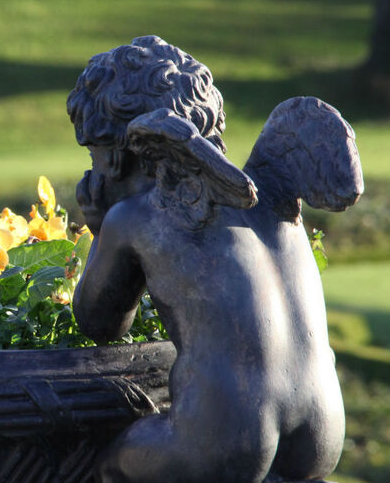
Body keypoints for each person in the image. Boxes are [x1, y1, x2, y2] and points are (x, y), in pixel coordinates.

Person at [70, 36, 363, 483]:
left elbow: (99, 324)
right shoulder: (271, 197)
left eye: (93, 155)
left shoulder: (137, 218)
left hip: (225, 443)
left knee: (110, 464)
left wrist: (101, 230)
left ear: (115, 155)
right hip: (323, 432)